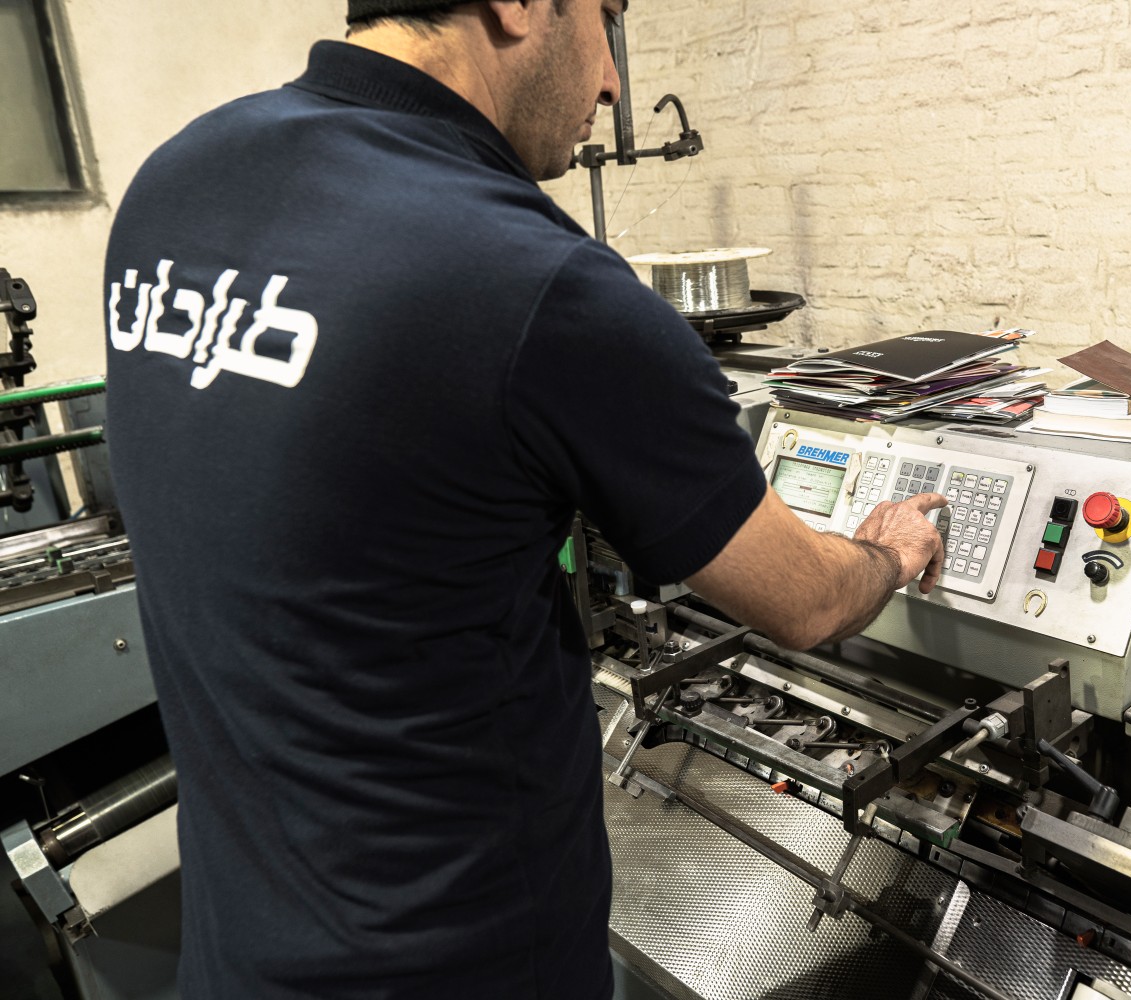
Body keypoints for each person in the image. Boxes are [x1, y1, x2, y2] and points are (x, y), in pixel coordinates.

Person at [103, 1, 945, 996]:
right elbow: (805, 602)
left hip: (239, 952)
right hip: (460, 965)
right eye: (606, 19)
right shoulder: (536, 280)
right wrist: (890, 549)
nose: (612, 82)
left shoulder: (177, 178)